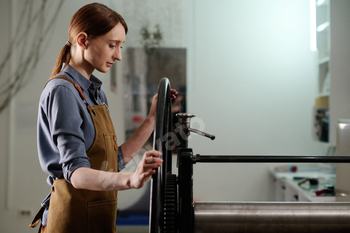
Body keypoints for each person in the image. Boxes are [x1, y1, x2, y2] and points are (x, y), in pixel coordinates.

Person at [29, 3, 177, 233]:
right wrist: (130, 180)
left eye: (120, 46)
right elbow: (77, 174)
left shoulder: (94, 92)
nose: (118, 55)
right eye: (112, 45)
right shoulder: (63, 91)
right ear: (82, 40)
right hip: (71, 222)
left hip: (98, 221)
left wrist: (151, 119)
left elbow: (112, 163)